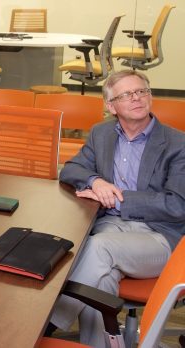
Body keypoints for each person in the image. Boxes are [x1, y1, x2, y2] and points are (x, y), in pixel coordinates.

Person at [48, 70, 185, 347]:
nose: (136, 98)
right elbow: (71, 169)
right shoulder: (102, 134)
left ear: (150, 97)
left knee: (99, 248)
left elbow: (177, 205)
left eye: (141, 91)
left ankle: (46, 321)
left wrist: (118, 197)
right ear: (111, 106)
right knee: (101, 283)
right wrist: (95, 180)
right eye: (126, 95)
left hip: (157, 238)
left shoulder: (178, 143)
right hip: (110, 228)